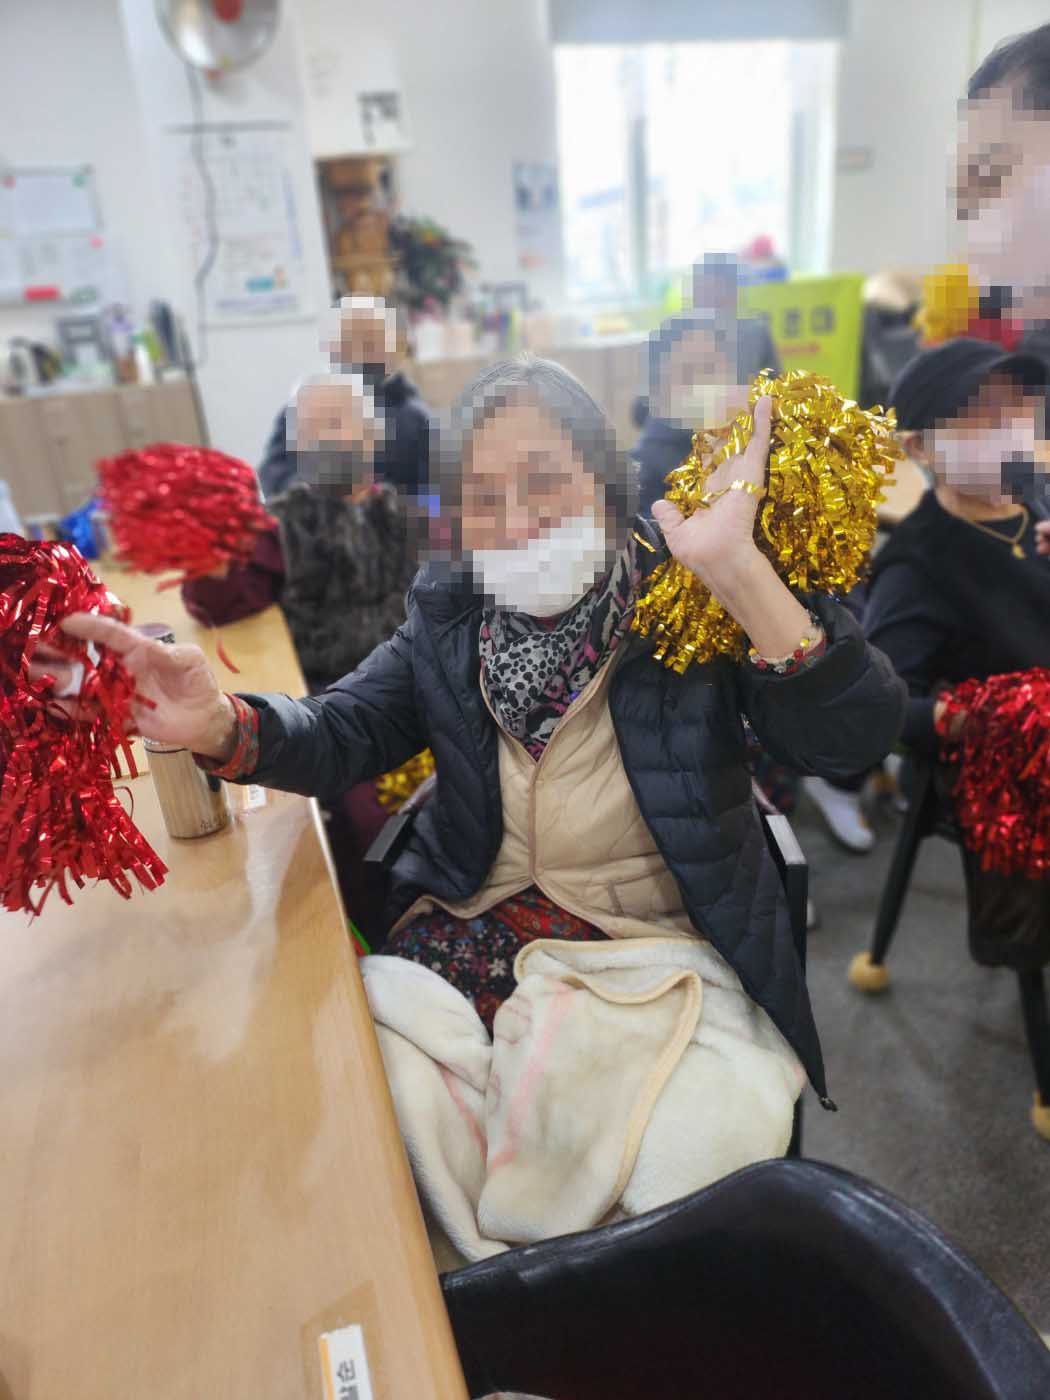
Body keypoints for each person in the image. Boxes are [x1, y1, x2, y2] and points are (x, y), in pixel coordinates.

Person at [44, 356, 903, 1259]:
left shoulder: (688, 594)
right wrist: (222, 723)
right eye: (484, 497)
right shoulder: (453, 608)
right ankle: (481, 1305)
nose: (517, 519)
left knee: (692, 1173)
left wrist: (740, 573)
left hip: (654, 940)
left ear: (606, 484)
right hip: (475, 921)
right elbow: (347, 726)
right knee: (347, 1122)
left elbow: (853, 738)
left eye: (545, 481)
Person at [182, 371, 424, 943]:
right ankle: (381, 936)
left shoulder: (413, 516)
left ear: (372, 433)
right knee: (366, 826)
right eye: (311, 431)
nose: (326, 441)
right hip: (332, 701)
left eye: (337, 424)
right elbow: (221, 597)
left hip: (417, 692)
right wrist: (210, 550)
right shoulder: (282, 522)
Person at [863, 337, 1050, 966]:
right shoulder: (917, 568)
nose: (1011, 429)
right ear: (920, 446)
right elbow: (887, 708)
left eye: (1018, 409)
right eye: (981, 416)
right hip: (1012, 762)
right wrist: (982, 716)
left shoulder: (1034, 494)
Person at [631, 257, 781, 512]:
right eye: (701, 292)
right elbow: (640, 408)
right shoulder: (675, 334)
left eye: (716, 291)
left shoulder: (755, 333)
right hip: (672, 454)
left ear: (732, 292)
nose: (708, 300)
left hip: (731, 450)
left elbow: (776, 393)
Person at [258, 296, 432, 500]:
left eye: (370, 342)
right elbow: (273, 472)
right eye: (349, 341)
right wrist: (311, 490)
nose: (359, 352)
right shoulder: (305, 408)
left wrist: (377, 499)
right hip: (315, 515)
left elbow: (435, 493)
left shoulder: (413, 418)